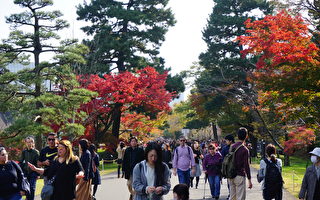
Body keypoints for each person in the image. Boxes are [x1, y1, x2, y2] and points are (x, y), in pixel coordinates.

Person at [228, 127, 252, 200]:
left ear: (237, 135)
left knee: (232, 197)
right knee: (240, 197)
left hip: (231, 174)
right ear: (246, 136)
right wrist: (249, 179)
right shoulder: (245, 149)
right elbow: (246, 165)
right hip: (240, 175)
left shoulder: (232, 147)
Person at [220, 134, 234, 200]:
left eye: (227, 140)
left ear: (231, 141)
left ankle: (232, 194)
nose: (226, 141)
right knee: (230, 183)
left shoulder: (232, 147)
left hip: (230, 167)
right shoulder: (225, 148)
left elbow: (222, 158)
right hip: (228, 168)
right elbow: (222, 157)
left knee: (231, 182)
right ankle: (230, 193)